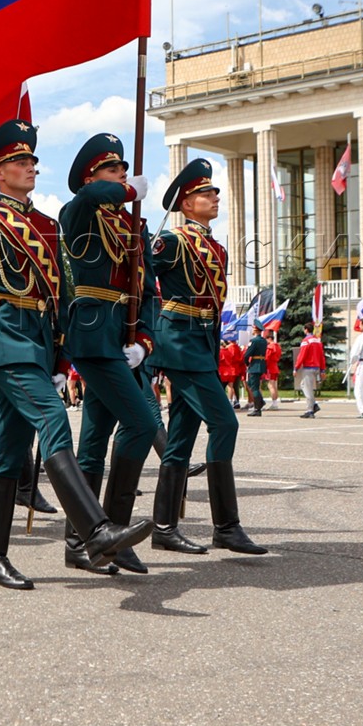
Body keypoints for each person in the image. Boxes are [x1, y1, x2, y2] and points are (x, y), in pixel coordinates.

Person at [0, 121, 150, 590]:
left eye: (32, 160)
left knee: (8, 453)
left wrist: (57, 360)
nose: (31, 167)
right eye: (20, 161)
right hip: (1, 336)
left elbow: (60, 296)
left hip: (36, 342)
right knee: (53, 421)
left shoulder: (46, 226)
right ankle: (95, 529)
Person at [149, 158, 263, 554]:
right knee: (225, 424)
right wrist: (147, 336)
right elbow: (143, 280)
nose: (214, 197)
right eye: (204, 192)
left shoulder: (215, 245)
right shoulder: (173, 241)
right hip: (178, 340)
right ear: (185, 203)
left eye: (213, 191)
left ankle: (163, 528)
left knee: (180, 437)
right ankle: (226, 526)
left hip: (201, 342)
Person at [59, 133, 160, 574]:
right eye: (111, 169)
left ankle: (80, 543)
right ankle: (112, 532)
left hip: (122, 336)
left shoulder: (133, 225)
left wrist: (143, 339)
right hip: (93, 332)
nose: (121, 174)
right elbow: (95, 194)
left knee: (93, 444)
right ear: (91, 176)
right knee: (141, 423)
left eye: (123, 168)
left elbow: (147, 290)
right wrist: (128, 188)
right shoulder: (80, 210)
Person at [294, 324, 326, 417]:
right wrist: (323, 370)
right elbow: (322, 356)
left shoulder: (306, 341)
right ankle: (314, 405)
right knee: (305, 386)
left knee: (307, 389)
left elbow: (302, 355)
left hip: (308, 367)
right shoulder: (317, 341)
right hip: (317, 367)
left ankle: (310, 410)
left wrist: (296, 367)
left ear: (306, 330)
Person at [242, 329, 267, 416]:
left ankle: (257, 408)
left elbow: (247, 354)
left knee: (254, 387)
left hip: (254, 365)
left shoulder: (254, 341)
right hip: (261, 364)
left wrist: (247, 362)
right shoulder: (264, 341)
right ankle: (261, 401)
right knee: (251, 384)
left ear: (256, 330)